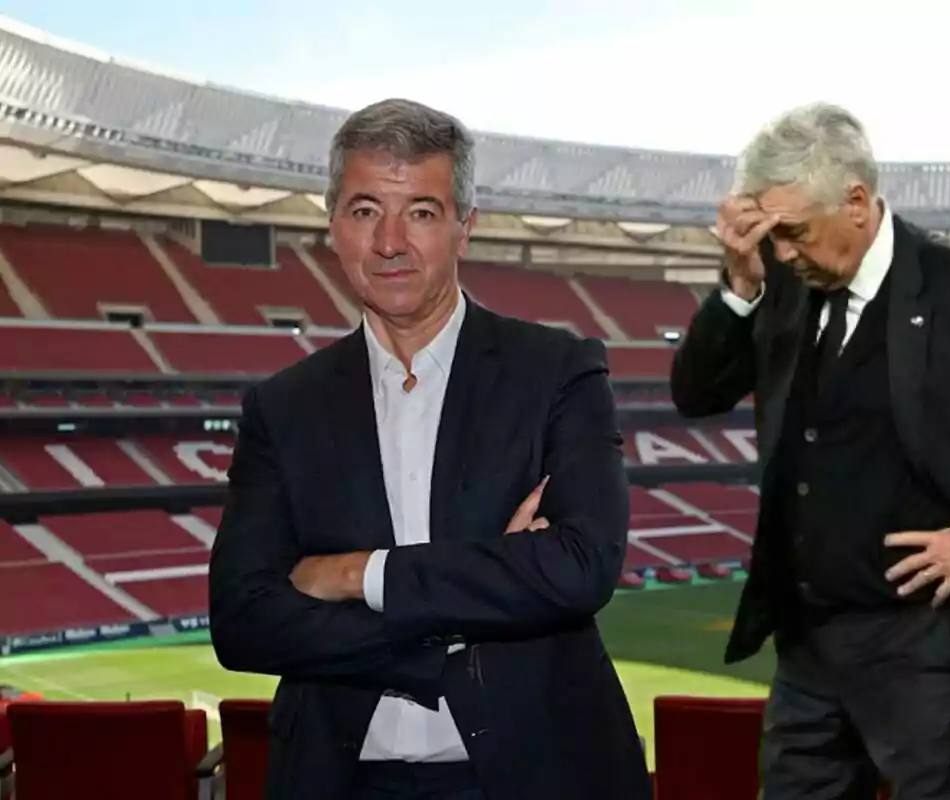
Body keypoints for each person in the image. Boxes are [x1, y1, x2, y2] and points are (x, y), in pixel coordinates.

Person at [671, 103, 950, 800]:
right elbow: (696, 394)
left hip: (929, 646)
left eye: (793, 231)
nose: (783, 251)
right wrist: (739, 285)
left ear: (856, 201)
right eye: (772, 236)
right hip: (808, 645)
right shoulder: (784, 285)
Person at [208, 98, 652, 800]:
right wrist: (471, 602)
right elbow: (242, 622)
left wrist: (360, 576)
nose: (389, 242)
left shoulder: (559, 370)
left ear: (463, 228)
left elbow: (579, 567)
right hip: (342, 779)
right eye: (363, 211)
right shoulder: (282, 406)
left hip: (535, 775)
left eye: (420, 211)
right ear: (332, 227)